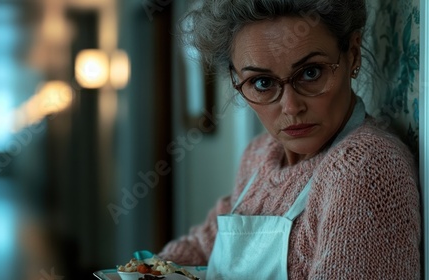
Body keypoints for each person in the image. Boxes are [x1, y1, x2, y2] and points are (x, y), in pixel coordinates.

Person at [158, 0, 421, 279]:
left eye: (311, 73)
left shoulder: (363, 168)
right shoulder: (260, 154)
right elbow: (205, 244)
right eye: (262, 82)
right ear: (236, 79)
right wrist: (148, 269)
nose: (291, 106)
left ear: (352, 55)